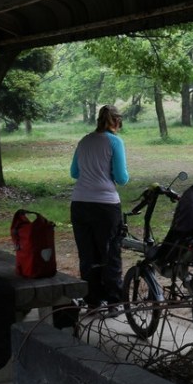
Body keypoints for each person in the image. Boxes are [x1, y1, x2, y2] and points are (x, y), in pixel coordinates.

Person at [70, 104, 130, 313]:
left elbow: (74, 173)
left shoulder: (84, 141)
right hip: (106, 205)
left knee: (87, 254)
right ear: (117, 122)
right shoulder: (114, 141)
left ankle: (93, 301)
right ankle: (113, 302)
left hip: (79, 203)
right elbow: (121, 178)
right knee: (110, 253)